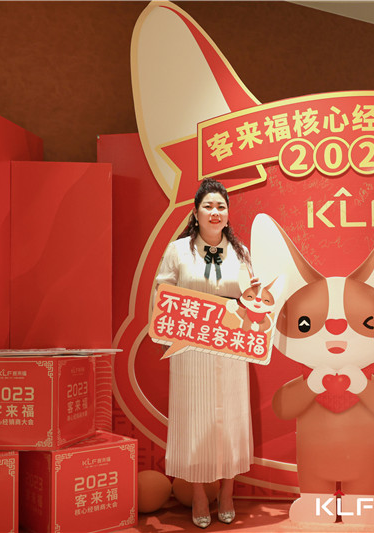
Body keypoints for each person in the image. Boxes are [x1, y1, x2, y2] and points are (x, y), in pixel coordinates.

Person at [155, 178, 256, 529]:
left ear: (228, 214)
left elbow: (253, 302)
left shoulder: (241, 253)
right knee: (194, 420)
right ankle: (198, 493)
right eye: (208, 206)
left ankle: (228, 492)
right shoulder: (178, 251)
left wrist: (256, 304)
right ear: (196, 213)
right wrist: (169, 334)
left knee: (230, 421)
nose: (215, 212)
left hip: (231, 349)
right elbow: (161, 293)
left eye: (221, 207)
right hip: (190, 349)